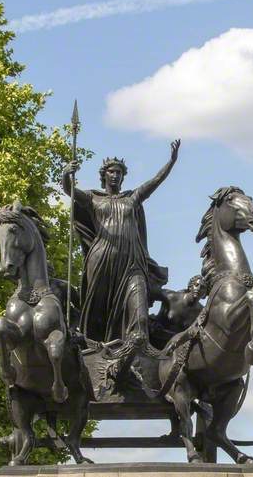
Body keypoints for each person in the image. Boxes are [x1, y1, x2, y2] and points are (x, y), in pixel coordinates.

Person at [61, 141, 180, 389]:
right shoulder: (94, 199)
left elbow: (154, 183)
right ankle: (96, 357)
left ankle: (133, 362)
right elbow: (71, 191)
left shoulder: (132, 198)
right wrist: (66, 175)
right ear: (104, 175)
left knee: (139, 312)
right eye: (111, 172)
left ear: (123, 177)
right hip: (102, 261)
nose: (115, 175)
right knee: (97, 312)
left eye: (119, 172)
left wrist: (171, 162)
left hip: (132, 264)